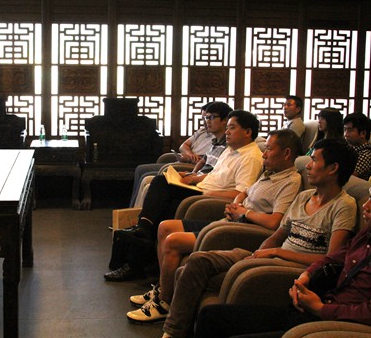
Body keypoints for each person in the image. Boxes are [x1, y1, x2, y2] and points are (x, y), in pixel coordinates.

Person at [158, 138, 358, 337]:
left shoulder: (343, 206)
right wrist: (258, 254)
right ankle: (173, 332)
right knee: (196, 262)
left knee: (195, 276)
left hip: (291, 267)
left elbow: (329, 259)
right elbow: (278, 235)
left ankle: (175, 332)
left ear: (333, 168)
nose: (308, 165)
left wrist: (275, 253)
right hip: (270, 256)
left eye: (314, 160)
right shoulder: (304, 196)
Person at [195, 162, 371, 338]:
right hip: (318, 305)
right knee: (211, 316)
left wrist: (321, 309)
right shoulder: (370, 232)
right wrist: (307, 275)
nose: (365, 206)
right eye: (368, 198)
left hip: (333, 322)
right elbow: (333, 257)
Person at [126, 129, 302, 321]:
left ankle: (164, 302)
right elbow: (244, 192)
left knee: (173, 240)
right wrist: (237, 203)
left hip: (243, 230)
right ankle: (162, 288)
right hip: (230, 220)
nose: (264, 154)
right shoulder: (269, 172)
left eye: (269, 149)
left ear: (286, 153)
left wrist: (245, 213)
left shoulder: (291, 181)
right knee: (165, 227)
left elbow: (275, 221)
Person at [105, 110, 262, 282]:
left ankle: (137, 256)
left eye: (232, 128)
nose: (227, 132)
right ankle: (142, 234)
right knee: (160, 182)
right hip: (200, 189)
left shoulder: (250, 158)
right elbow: (214, 175)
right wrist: (194, 177)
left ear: (248, 132)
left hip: (207, 197)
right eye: (228, 128)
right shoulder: (230, 150)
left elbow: (240, 194)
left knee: (163, 206)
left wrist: (208, 193)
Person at [128, 102, 232, 207]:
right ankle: (133, 214)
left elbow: (216, 175)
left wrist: (194, 177)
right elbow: (195, 154)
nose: (207, 121)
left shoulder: (229, 148)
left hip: (202, 183)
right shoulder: (212, 140)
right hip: (196, 176)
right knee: (149, 180)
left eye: (212, 117)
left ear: (225, 120)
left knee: (155, 182)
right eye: (206, 118)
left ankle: (139, 216)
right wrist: (193, 171)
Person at [343, 112, 371, 180]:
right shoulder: (349, 148)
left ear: (363, 133)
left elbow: (348, 178)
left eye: (350, 130)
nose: (346, 134)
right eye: (345, 129)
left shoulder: (365, 155)